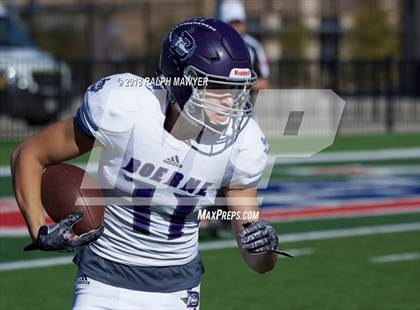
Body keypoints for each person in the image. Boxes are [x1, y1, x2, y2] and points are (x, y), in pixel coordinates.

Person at [11, 18, 283, 310]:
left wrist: (266, 248)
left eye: (236, 89)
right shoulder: (126, 107)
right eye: (216, 87)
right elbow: (29, 155)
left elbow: (258, 263)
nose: (229, 102)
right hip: (103, 280)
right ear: (179, 79)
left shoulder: (242, 143)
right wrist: (38, 228)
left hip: (177, 291)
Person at [220, 0, 270, 90]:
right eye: (232, 22)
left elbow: (264, 82)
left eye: (238, 22)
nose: (236, 26)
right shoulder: (217, 45)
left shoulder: (254, 47)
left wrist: (240, 87)